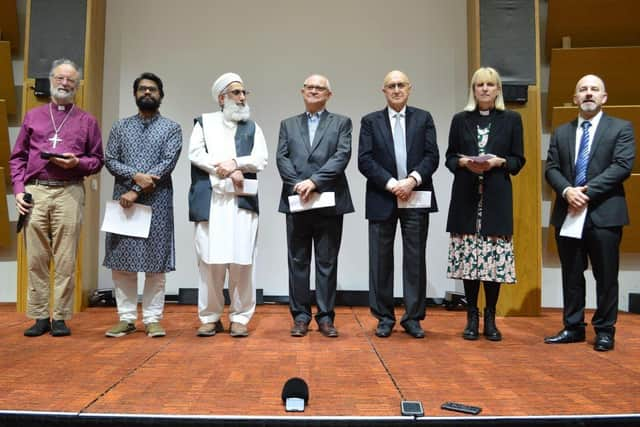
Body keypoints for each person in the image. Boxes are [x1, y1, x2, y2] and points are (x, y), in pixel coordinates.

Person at [9, 58, 104, 337]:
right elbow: (18, 158)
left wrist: (76, 163)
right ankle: (39, 315)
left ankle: (60, 316)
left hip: (69, 190)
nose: (65, 84)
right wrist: (18, 190)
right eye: (60, 78)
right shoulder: (33, 116)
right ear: (52, 80)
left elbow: (97, 160)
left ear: (77, 85)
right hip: (35, 189)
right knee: (36, 258)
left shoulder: (87, 121)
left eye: (71, 80)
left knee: (65, 258)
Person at [544, 74, 635, 352]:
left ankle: (605, 330)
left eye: (594, 89)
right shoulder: (561, 132)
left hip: (605, 213)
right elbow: (551, 169)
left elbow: (622, 166)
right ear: (575, 98)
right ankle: (573, 327)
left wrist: (585, 191)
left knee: (606, 276)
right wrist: (567, 191)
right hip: (568, 212)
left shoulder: (621, 128)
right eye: (582, 89)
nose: (588, 94)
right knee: (571, 274)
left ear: (604, 97)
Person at [445, 67, 525, 342]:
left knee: (492, 262)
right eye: (480, 85)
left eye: (490, 84)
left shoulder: (512, 119)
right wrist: (464, 162)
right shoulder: (460, 119)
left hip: (496, 199)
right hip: (467, 199)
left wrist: (498, 162)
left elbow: (518, 161)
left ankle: (490, 317)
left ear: (498, 89)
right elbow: (449, 158)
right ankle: (471, 316)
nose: (485, 89)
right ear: (473, 89)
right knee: (470, 262)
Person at [358, 70, 439, 339]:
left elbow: (432, 156)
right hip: (383, 196)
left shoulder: (423, 118)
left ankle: (413, 317)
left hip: (415, 196)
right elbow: (365, 160)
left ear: (409, 88)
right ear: (383, 91)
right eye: (391, 86)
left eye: (400, 85)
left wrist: (412, 181)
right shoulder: (370, 121)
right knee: (380, 261)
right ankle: (384, 317)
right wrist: (393, 183)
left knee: (415, 260)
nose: (396, 89)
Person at [103, 72, 182, 338]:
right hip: (124, 203)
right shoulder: (120, 127)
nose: (147, 93)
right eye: (142, 89)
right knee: (122, 264)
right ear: (135, 94)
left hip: (156, 202)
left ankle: (152, 319)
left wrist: (137, 189)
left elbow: (167, 164)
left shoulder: (172, 128)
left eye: (153, 89)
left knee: (154, 265)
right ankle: (126, 318)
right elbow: (110, 160)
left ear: (161, 95)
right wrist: (135, 178)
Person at [189, 72, 268, 338]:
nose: (242, 97)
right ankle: (210, 317)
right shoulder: (204, 123)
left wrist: (237, 164)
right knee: (210, 262)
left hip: (241, 203)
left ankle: (240, 317)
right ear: (222, 98)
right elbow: (196, 154)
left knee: (242, 262)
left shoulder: (252, 127)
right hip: (211, 202)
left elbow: (260, 159)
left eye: (244, 92)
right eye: (236, 93)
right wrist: (224, 170)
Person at [277, 74, 353, 338]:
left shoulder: (342, 123)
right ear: (302, 91)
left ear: (328, 95)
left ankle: (325, 317)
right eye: (309, 87)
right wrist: (299, 184)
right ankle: (300, 317)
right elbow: (282, 157)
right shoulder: (287, 124)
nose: (314, 91)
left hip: (329, 202)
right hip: (298, 200)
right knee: (298, 261)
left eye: (320, 88)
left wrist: (314, 181)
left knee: (326, 262)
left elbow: (342, 156)